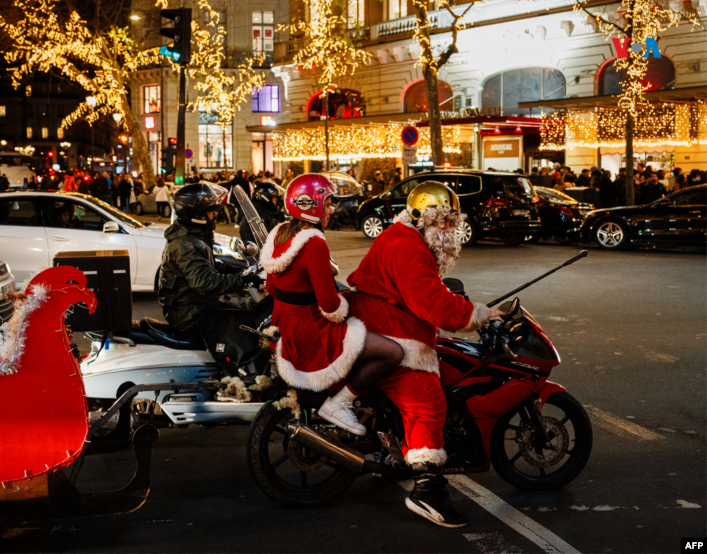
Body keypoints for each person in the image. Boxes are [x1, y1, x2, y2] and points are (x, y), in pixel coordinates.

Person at [345, 181, 504, 529]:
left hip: (383, 323)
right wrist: (474, 313)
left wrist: (455, 299)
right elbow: (430, 301)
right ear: (419, 217)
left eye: (451, 221)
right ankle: (428, 492)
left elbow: (422, 287)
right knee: (427, 403)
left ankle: (394, 454)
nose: (448, 229)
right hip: (393, 334)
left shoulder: (405, 237)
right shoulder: (408, 248)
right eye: (440, 221)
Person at [261, 173, 404, 437]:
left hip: (284, 322)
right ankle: (340, 404)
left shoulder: (280, 233)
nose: (331, 209)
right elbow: (330, 306)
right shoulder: (314, 242)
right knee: (393, 352)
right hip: (310, 329)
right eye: (327, 202)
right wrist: (346, 305)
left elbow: (271, 287)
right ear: (311, 205)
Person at [157, 183, 259, 336]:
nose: (215, 215)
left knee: (239, 314)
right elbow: (204, 282)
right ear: (198, 213)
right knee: (245, 326)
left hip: (195, 306)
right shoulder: (187, 243)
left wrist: (238, 270)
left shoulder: (194, 235)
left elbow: (206, 267)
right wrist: (240, 281)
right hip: (189, 315)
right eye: (211, 212)